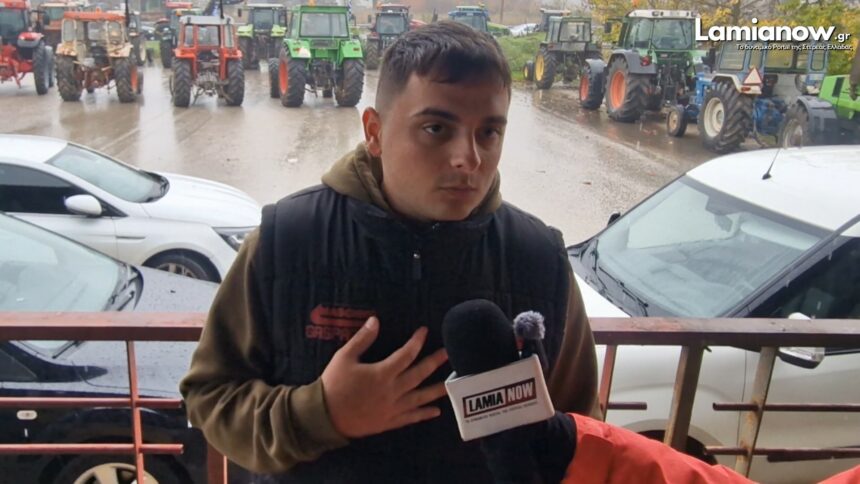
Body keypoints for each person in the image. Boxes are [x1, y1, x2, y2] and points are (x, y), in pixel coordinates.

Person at [179, 21, 599, 483]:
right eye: (436, 128)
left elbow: (581, 431)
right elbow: (210, 398)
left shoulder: (539, 259)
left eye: (489, 133)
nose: (469, 158)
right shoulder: (287, 241)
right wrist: (321, 413)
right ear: (375, 132)